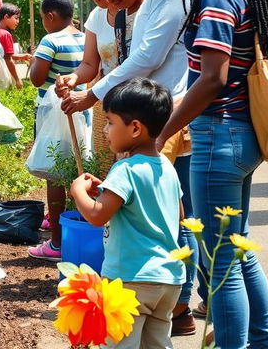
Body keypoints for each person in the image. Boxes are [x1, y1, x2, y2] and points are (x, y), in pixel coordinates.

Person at [60, 0, 200, 336]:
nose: (103, 1)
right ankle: (178, 303)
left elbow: (147, 55)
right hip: (150, 115)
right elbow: (173, 211)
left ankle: (185, 305)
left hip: (166, 110)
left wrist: (77, 189)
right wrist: (88, 89)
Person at [157, 0, 268, 349]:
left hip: (218, 135)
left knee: (218, 262)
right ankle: (260, 339)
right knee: (238, 249)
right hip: (245, 136)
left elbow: (212, 80)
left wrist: (165, 130)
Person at [70, 78, 185, 349]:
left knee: (121, 345)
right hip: (168, 280)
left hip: (131, 279)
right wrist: (111, 194)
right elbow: (179, 214)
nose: (106, 130)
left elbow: (97, 216)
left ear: (135, 128)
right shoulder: (167, 166)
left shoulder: (125, 169)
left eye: (110, 122)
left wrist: (78, 192)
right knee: (157, 344)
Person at [27, 0, 86, 261]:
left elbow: (37, 79)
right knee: (78, 169)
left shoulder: (51, 41)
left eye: (43, 18)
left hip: (55, 115)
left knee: (55, 174)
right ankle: (70, 225)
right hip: (82, 113)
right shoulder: (86, 38)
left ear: (51, 15)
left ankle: (56, 244)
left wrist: (33, 62)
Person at [0, 3, 31, 90]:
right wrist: (17, 79)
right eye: (16, 18)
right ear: (6, 17)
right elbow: (8, 59)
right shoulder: (5, 34)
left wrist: (23, 56)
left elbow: (5, 55)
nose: (18, 22)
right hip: (3, 75)